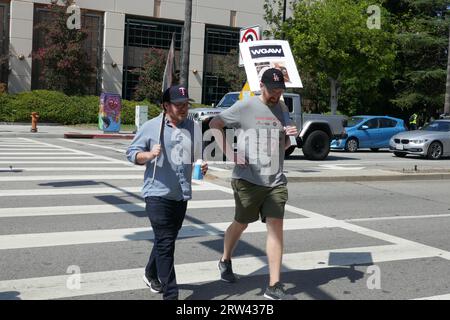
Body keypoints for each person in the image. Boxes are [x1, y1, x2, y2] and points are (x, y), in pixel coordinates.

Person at [209, 68, 298, 300]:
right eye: (273, 90)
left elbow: (285, 144)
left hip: (275, 180)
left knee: (276, 229)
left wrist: (291, 136)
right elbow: (214, 124)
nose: (276, 95)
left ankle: (274, 284)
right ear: (262, 85)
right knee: (241, 223)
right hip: (248, 180)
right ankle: (225, 259)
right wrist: (230, 154)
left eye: (280, 90)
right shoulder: (245, 106)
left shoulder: (283, 108)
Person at [126, 84, 208, 300]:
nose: (183, 109)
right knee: (166, 243)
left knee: (166, 239)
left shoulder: (193, 127)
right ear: (165, 106)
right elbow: (131, 153)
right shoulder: (152, 127)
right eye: (178, 105)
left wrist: (201, 164)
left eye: (185, 105)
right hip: (157, 192)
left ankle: (150, 272)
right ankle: (171, 295)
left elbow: (196, 155)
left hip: (181, 193)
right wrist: (149, 155)